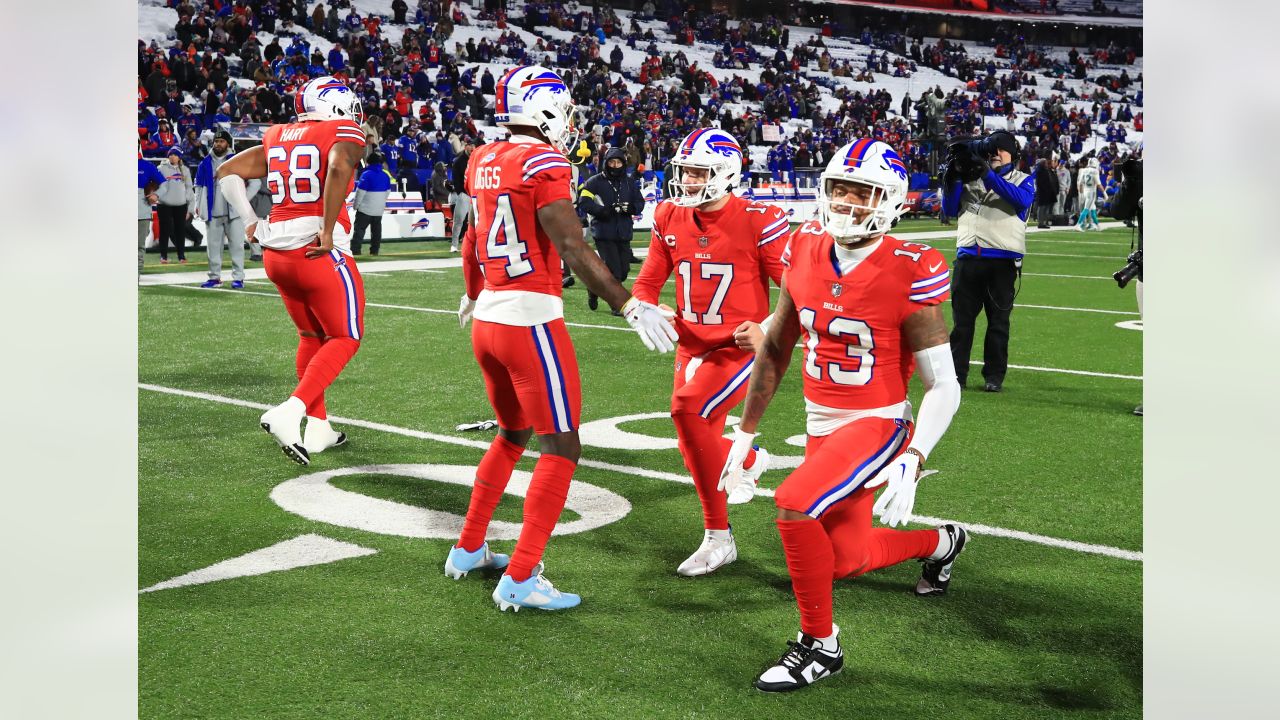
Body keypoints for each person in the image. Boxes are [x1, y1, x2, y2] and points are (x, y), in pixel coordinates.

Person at [720, 139, 964, 693]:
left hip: (878, 421)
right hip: (820, 421)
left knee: (793, 504)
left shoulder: (910, 265)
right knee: (843, 561)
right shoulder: (804, 245)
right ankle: (943, 543)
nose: (848, 203)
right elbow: (777, 345)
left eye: (864, 192)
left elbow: (943, 385)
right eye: (839, 189)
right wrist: (745, 431)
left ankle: (819, 647)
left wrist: (916, 456)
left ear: (893, 201)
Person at [446, 65, 677, 612]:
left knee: (511, 433)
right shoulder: (543, 160)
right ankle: (522, 576)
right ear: (544, 108)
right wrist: (628, 304)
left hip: (489, 321)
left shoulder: (482, 157)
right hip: (530, 321)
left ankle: (469, 548)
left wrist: (473, 288)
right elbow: (574, 248)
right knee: (562, 446)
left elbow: (473, 237)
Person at [630, 128, 786, 576]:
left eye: (700, 172)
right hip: (690, 343)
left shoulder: (759, 218)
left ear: (726, 173)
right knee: (691, 444)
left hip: (736, 349)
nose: (689, 181)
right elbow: (648, 280)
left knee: (686, 409)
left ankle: (719, 537)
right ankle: (751, 461)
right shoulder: (668, 214)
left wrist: (769, 327)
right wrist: (646, 307)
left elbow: (796, 291)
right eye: (686, 171)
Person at [215, 75, 368, 465]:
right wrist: (329, 228)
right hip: (315, 250)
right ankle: (291, 411)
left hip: (276, 252)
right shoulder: (341, 129)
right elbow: (337, 168)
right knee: (346, 336)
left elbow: (227, 172)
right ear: (335, 106)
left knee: (310, 335)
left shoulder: (280, 134)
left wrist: (250, 218)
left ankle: (319, 427)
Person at [940, 130, 1034, 393]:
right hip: (968, 259)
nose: (993, 154)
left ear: (1012, 154)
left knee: (998, 324)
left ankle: (994, 376)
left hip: (1002, 263)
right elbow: (948, 210)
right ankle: (957, 375)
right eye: (990, 149)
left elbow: (1021, 201)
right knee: (962, 325)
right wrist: (955, 176)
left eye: (1000, 149)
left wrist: (987, 175)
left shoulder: (1024, 180)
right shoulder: (972, 178)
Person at [577, 147, 643, 314]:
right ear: (606, 163)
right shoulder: (594, 181)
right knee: (615, 271)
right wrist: (603, 211)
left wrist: (631, 208)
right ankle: (616, 305)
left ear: (623, 163)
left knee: (624, 271)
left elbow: (640, 202)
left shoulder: (629, 182)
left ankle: (593, 287)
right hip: (603, 231)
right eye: (612, 162)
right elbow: (583, 202)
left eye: (618, 162)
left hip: (624, 231)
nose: (615, 165)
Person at [195, 130, 260, 289]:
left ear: (228, 143)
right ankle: (214, 277)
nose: (218, 144)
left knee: (237, 246)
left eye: (221, 141)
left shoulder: (236, 160)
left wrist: (242, 200)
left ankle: (238, 278)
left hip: (234, 213)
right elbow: (198, 187)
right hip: (213, 213)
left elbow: (256, 182)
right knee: (213, 248)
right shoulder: (204, 163)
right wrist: (198, 205)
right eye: (216, 141)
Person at [155, 148, 193, 264]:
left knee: (180, 231)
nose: (172, 157)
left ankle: (181, 256)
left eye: (175, 155)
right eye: (170, 154)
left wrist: (190, 209)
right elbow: (157, 185)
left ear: (179, 157)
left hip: (181, 206)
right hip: (164, 205)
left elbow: (189, 189)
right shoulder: (160, 169)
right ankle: (163, 256)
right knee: (164, 231)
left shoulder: (185, 170)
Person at [352, 151, 393, 255]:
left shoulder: (366, 174)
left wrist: (356, 205)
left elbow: (360, 193)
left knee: (359, 231)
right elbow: (388, 192)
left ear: (369, 162)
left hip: (365, 209)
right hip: (378, 210)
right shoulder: (385, 175)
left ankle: (356, 251)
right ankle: (375, 251)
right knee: (376, 232)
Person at [138, 152, 166, 273]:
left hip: (141, 213)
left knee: (138, 248)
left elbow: (164, 184)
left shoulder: (148, 166)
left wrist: (156, 194)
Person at [449, 137, 474, 252]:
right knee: (458, 220)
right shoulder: (459, 161)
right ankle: (454, 245)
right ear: (465, 146)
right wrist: (460, 192)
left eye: (473, 145)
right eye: (470, 145)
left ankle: (475, 245)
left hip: (475, 194)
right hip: (464, 194)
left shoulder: (477, 159)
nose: (472, 147)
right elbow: (455, 178)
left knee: (477, 222)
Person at [1033, 152, 1059, 229]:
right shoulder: (1040, 171)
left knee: (1044, 208)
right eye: (1045, 163)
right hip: (1042, 193)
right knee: (1042, 208)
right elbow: (1040, 183)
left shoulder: (1045, 170)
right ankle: (1040, 223)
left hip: (1046, 193)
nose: (1047, 164)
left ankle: (1043, 222)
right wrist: (1046, 190)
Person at [1075, 156, 1101, 231]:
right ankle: (1083, 224)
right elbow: (1080, 183)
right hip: (1085, 191)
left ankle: (1090, 224)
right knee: (1086, 209)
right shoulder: (1084, 170)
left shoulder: (1084, 170)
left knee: (1089, 209)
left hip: (1084, 191)